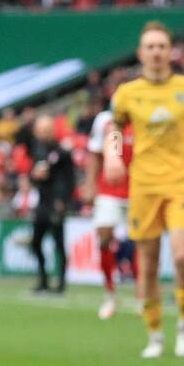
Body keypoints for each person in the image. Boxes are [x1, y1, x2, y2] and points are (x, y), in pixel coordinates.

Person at [105, 22, 184, 358]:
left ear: (170, 51)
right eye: (150, 47)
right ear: (140, 53)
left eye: (161, 46)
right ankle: (154, 334)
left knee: (183, 254)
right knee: (148, 262)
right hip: (144, 185)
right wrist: (113, 155)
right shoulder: (127, 93)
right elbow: (115, 127)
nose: (156, 52)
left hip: (182, 182)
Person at [83, 98, 132, 318]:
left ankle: (144, 297)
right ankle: (110, 294)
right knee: (103, 237)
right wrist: (90, 184)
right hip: (108, 189)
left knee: (143, 242)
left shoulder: (143, 119)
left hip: (138, 188)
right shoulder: (104, 120)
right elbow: (94, 154)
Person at [25, 115, 74, 293]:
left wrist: (64, 200)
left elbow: (70, 179)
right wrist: (34, 176)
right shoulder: (38, 152)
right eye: (40, 131)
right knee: (36, 243)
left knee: (58, 244)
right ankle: (43, 280)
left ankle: (60, 283)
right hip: (42, 203)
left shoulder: (62, 152)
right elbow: (32, 176)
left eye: (46, 130)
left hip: (56, 204)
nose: (43, 134)